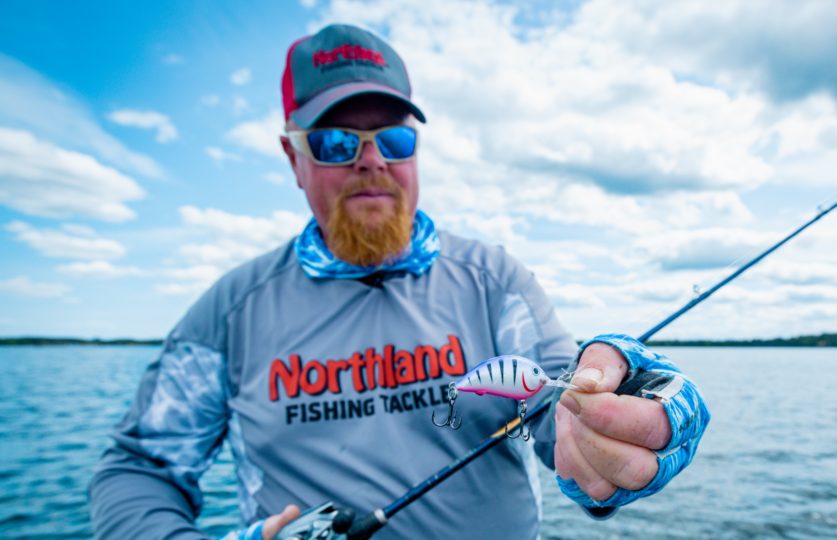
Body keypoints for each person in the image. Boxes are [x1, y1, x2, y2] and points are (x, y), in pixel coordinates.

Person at [90, 23, 709, 540]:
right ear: (292, 158)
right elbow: (139, 467)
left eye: (394, 138)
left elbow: (560, 407)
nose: (372, 159)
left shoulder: (495, 282)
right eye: (336, 142)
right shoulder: (228, 311)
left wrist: (626, 410)